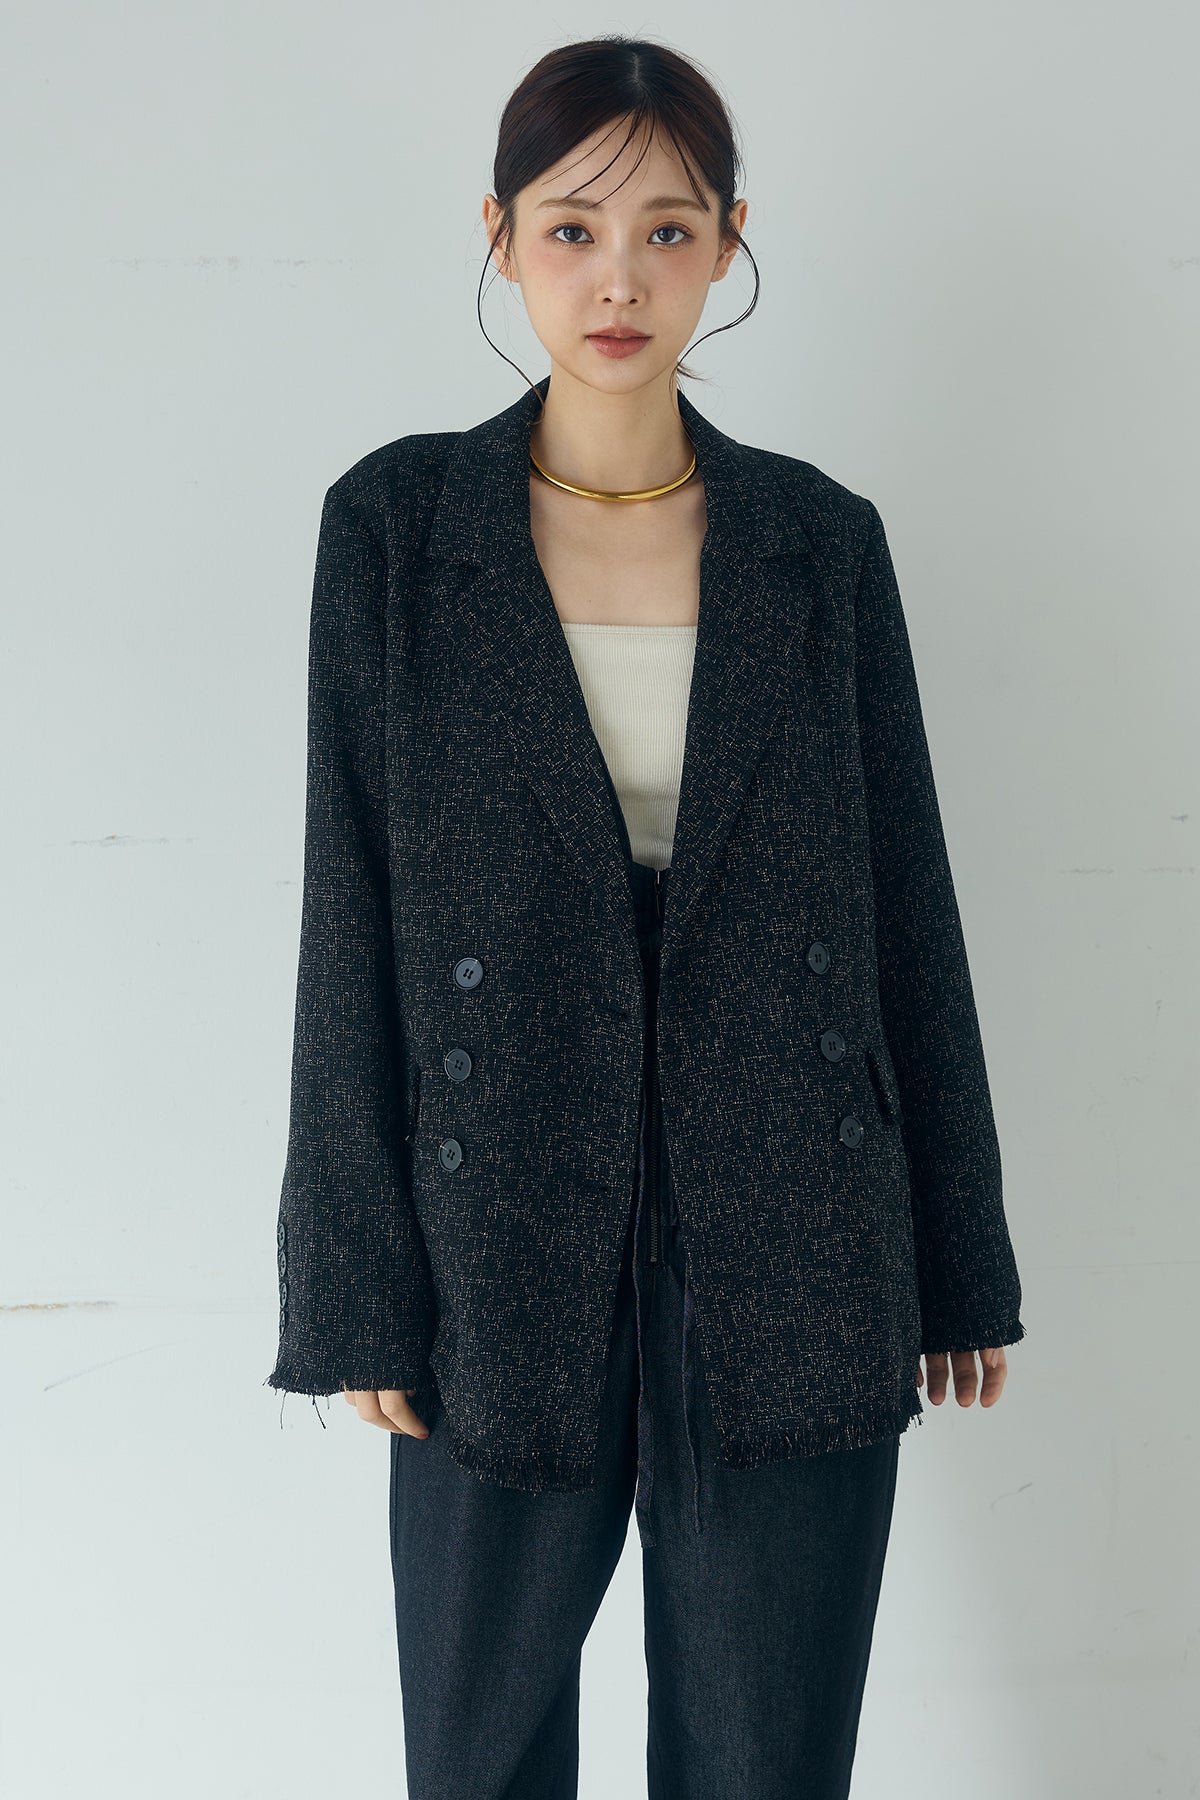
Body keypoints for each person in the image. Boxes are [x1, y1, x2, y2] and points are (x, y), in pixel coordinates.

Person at [266, 35, 1025, 1800]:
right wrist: (355, 1281)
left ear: (731, 243)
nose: (619, 278)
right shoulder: (396, 531)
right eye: (573, 227)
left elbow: (907, 897)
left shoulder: (818, 543)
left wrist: (956, 1252)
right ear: (499, 235)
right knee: (478, 1754)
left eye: (669, 230)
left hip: (797, 1215)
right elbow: (347, 907)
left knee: (770, 1757)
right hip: (495, 1218)